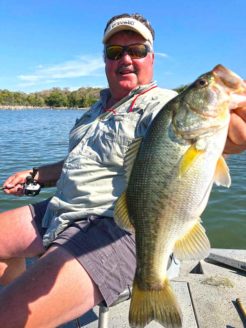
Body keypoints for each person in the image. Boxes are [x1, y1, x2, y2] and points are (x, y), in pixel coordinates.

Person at [0, 13, 245, 327]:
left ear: (152, 57)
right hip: (61, 208)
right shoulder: (95, 111)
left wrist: (235, 126)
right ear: (105, 60)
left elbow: (230, 139)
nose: (126, 58)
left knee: (8, 317)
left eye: (137, 50)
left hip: (110, 225)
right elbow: (78, 163)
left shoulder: (163, 106)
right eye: (115, 52)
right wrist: (35, 173)